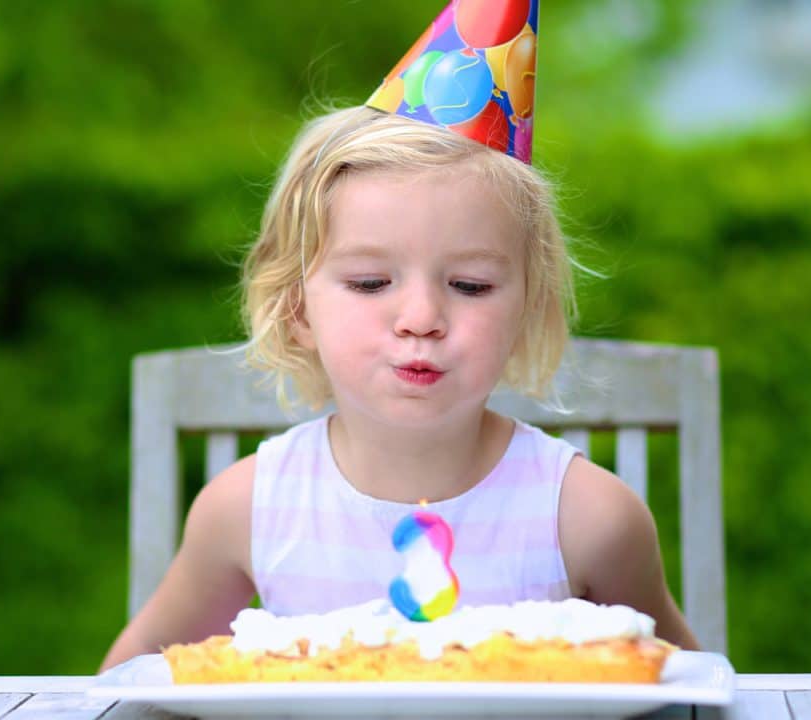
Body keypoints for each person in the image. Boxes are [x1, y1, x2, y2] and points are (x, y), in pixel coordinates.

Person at [101, 1, 699, 671]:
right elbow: (133, 677)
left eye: (469, 286)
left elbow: (684, 685)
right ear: (297, 308)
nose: (420, 317)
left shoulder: (589, 518)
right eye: (369, 283)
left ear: (527, 311)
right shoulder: (246, 509)